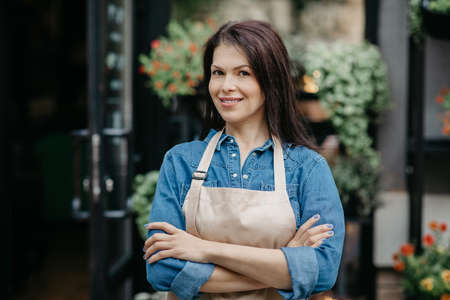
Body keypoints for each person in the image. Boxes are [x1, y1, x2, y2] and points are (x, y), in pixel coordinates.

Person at [142, 20, 345, 300]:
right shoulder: (181, 162)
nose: (226, 86)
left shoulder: (307, 168)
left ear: (270, 80)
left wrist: (205, 250)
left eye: (243, 73)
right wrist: (285, 263)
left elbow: (322, 272)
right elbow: (162, 271)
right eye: (218, 73)